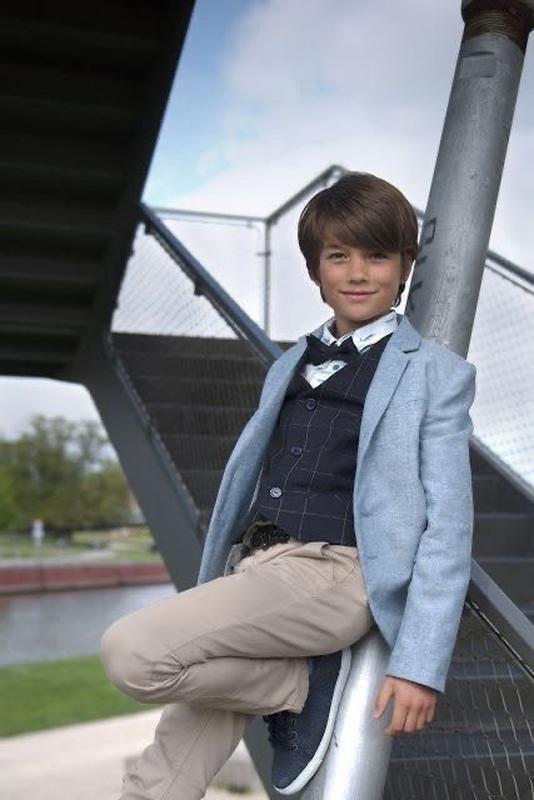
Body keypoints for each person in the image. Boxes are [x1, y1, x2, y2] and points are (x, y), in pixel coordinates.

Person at [99, 172, 477, 800]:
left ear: (405, 265)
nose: (358, 273)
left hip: (338, 572)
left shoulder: (436, 374)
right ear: (315, 270)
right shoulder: (289, 363)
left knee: (132, 653)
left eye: (377, 256)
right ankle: (286, 683)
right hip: (259, 567)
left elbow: (449, 526)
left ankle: (293, 686)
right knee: (167, 768)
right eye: (339, 256)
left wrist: (419, 664)